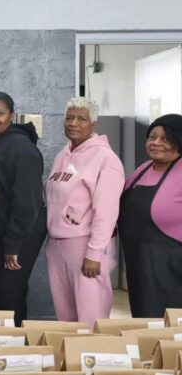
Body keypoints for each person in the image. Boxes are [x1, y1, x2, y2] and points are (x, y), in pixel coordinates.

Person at [45, 97, 124, 328]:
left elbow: (106, 211)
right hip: (57, 245)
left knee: (91, 316)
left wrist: (94, 253)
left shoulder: (105, 158)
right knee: (66, 316)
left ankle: (95, 360)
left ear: (94, 124)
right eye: (69, 118)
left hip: (86, 246)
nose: (73, 123)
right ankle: (73, 360)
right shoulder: (63, 155)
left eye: (81, 119)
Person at [0, 92, 46, 325]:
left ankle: (17, 357)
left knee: (9, 298)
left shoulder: (21, 148)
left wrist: (13, 243)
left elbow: (28, 201)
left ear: (12, 116)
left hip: (15, 237)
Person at [119, 114, 182, 318]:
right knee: (144, 319)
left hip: (171, 267)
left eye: (165, 139)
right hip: (138, 263)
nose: (156, 143)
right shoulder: (142, 170)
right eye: (152, 137)